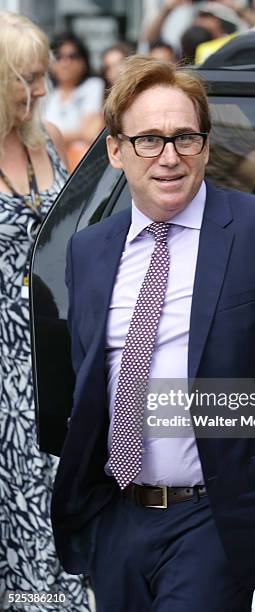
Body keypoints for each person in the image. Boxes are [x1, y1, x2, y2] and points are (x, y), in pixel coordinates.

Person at [52, 55, 255, 612]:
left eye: (185, 138)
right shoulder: (90, 250)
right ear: (115, 150)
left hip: (221, 518)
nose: (169, 157)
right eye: (149, 139)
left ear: (205, 143)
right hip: (118, 520)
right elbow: (90, 381)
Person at [0, 11, 90, 610]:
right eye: (27, 78)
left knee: (61, 493)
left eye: (42, 74)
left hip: (54, 353)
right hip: (4, 365)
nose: (41, 87)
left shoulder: (49, 140)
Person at [44, 33, 104, 171]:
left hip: (80, 167)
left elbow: (90, 133)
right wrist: (75, 134)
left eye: (73, 56)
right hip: (48, 163)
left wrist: (48, 138)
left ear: (84, 61)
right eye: (58, 57)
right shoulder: (45, 92)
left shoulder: (92, 86)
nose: (65, 63)